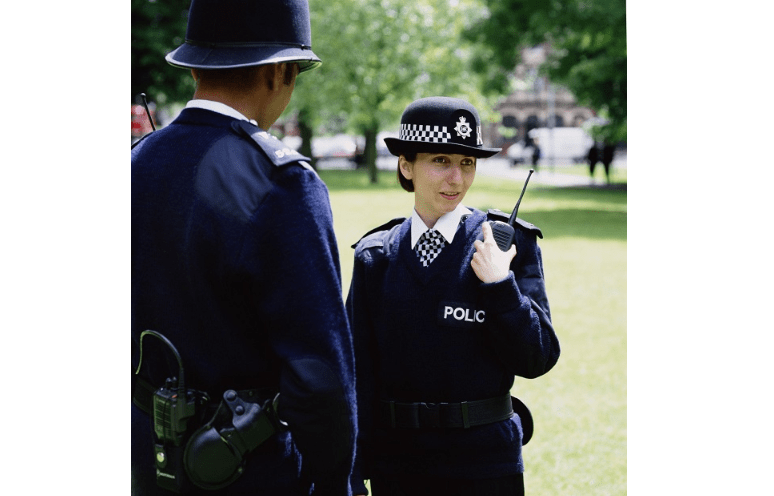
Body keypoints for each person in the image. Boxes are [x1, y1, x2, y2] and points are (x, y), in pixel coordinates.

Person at [131, 1, 357, 494]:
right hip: (250, 472)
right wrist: (335, 480)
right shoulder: (281, 183)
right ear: (281, 72)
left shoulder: (135, 165)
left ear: (193, 65)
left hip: (145, 462)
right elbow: (319, 376)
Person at [347, 97, 561, 496]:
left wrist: (501, 288)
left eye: (467, 163)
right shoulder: (376, 256)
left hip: (486, 465)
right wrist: (353, 472)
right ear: (406, 165)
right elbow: (357, 374)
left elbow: (538, 358)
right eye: (441, 161)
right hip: (400, 465)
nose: (457, 179)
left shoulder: (508, 244)